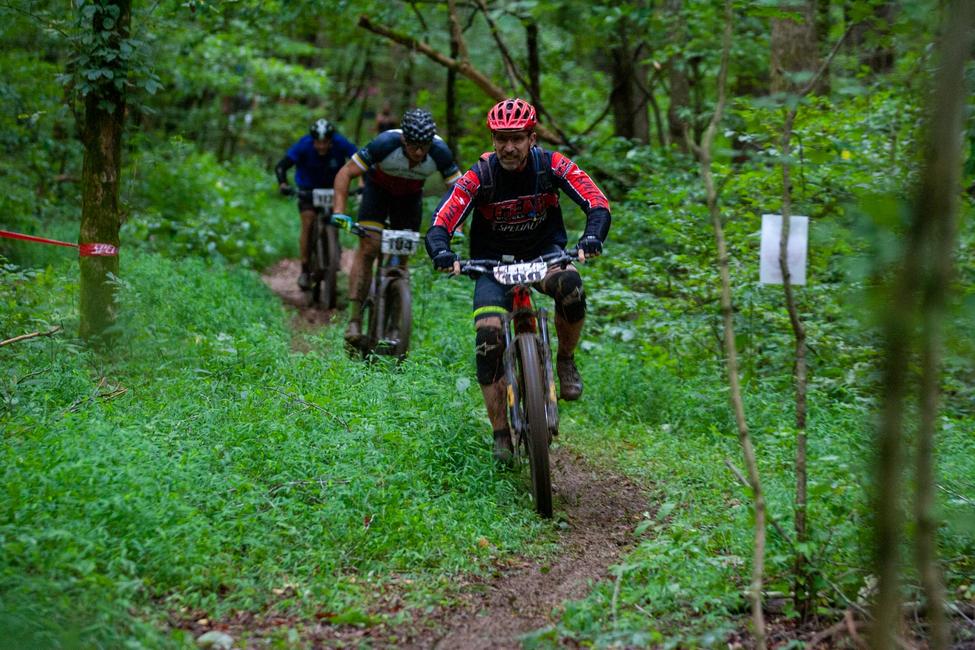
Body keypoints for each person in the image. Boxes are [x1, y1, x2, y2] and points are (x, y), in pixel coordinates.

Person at [424, 98, 610, 463]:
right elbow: (441, 220)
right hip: (492, 265)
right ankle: (500, 434)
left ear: (532, 137)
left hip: (545, 256)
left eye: (517, 138)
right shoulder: (480, 175)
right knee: (488, 337)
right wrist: (442, 252)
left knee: (571, 287)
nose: (509, 147)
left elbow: (596, 201)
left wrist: (592, 237)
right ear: (493, 139)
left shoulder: (551, 165)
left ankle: (566, 360)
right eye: (501, 138)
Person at [332, 108, 461, 347]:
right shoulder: (385, 143)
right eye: (414, 145)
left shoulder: (440, 152)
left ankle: (395, 321)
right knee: (369, 247)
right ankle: (354, 319)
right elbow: (346, 172)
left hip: (409, 199)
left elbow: (461, 192)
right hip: (377, 194)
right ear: (404, 139)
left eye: (424, 145)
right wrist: (339, 211)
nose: (420, 151)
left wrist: (458, 228)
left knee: (402, 259)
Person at [275, 118, 357, 290]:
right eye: (318, 143)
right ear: (312, 141)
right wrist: (283, 184)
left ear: (331, 140)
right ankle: (305, 269)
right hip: (308, 190)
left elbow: (360, 160)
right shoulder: (303, 145)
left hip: (334, 189)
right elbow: (281, 166)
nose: (321, 147)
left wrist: (362, 185)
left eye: (325, 143)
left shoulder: (340, 143)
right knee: (308, 221)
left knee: (337, 217)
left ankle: (334, 250)